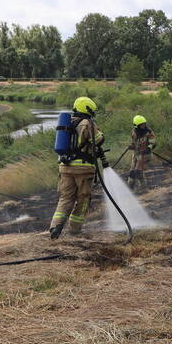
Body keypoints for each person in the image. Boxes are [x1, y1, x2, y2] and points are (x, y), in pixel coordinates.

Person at [49, 96, 104, 239]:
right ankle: (75, 230)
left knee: (65, 198)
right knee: (83, 199)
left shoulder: (68, 122)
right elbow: (98, 140)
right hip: (83, 169)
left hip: (65, 167)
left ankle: (55, 227)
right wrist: (100, 132)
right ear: (87, 108)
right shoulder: (87, 123)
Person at [127, 114, 156, 192]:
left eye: (144, 124)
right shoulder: (133, 132)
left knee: (137, 171)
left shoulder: (148, 131)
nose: (144, 125)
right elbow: (134, 142)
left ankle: (137, 188)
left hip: (145, 155)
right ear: (137, 126)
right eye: (141, 124)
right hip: (136, 154)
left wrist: (148, 148)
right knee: (132, 171)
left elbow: (153, 142)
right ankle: (134, 188)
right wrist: (131, 146)